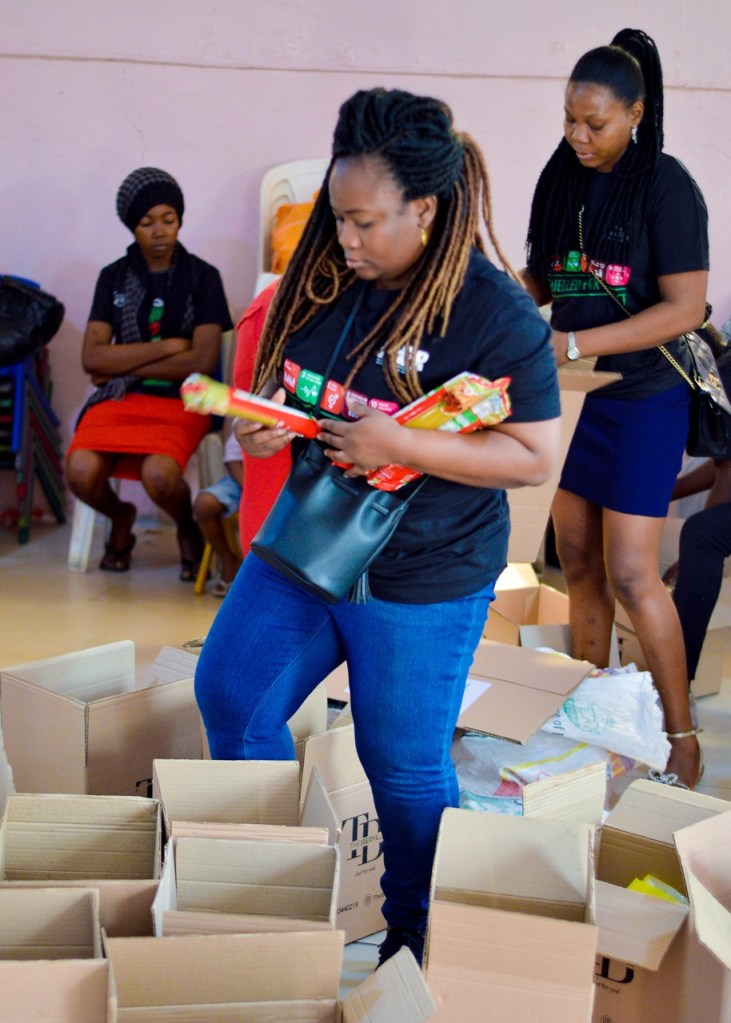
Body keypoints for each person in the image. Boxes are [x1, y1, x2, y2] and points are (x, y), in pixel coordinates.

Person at [194, 87, 561, 967]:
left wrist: (400, 443)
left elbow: (531, 454)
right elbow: (291, 381)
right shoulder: (324, 275)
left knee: (398, 762)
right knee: (232, 696)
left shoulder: (491, 312)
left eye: (364, 221)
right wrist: (266, 420)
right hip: (313, 540)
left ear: (424, 209)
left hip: (424, 566)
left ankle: (416, 931)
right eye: (337, 215)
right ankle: (267, 897)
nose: (345, 238)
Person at [521, 28, 709, 789]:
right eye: (569, 119)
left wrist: (572, 343)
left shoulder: (666, 186)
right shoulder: (560, 174)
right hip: (573, 398)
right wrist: (493, 298)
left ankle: (681, 736)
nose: (577, 135)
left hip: (641, 398)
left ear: (635, 114)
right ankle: (590, 714)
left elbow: (684, 309)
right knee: (577, 563)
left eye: (594, 123)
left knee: (633, 572)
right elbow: (543, 277)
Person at [66, 167, 233, 577]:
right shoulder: (113, 278)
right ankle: (121, 516)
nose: (159, 231)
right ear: (131, 227)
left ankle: (187, 527)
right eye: (146, 222)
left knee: (159, 474)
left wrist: (122, 359)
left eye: (169, 220)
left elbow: (201, 362)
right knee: (80, 471)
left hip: (184, 399)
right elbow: (92, 359)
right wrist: (169, 347)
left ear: (179, 220)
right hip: (121, 397)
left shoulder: (204, 277)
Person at [193, 430, 243, 597]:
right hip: (242, 480)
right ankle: (228, 559)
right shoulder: (249, 420)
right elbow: (233, 458)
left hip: (282, 483)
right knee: (204, 504)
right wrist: (250, 489)